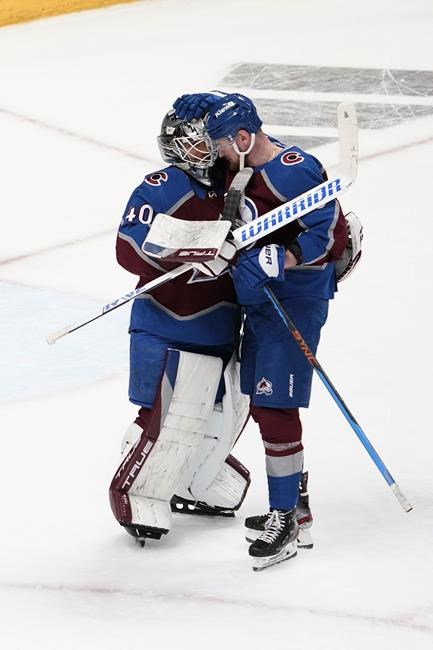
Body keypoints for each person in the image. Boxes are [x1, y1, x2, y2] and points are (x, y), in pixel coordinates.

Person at [173, 91, 351, 570]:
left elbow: (329, 232)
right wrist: (210, 103)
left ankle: (285, 519)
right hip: (259, 299)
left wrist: (286, 256)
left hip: (295, 299)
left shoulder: (295, 170)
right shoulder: (240, 166)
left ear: (243, 138)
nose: (216, 154)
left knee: (275, 404)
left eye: (220, 144)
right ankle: (297, 506)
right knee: (262, 401)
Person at [109, 109, 251, 545]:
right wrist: (195, 247)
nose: (206, 150)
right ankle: (140, 490)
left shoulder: (237, 181)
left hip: (223, 322)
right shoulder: (162, 186)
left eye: (209, 140)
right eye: (195, 142)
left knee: (230, 410)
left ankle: (193, 481)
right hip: (169, 321)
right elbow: (129, 245)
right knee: (171, 414)